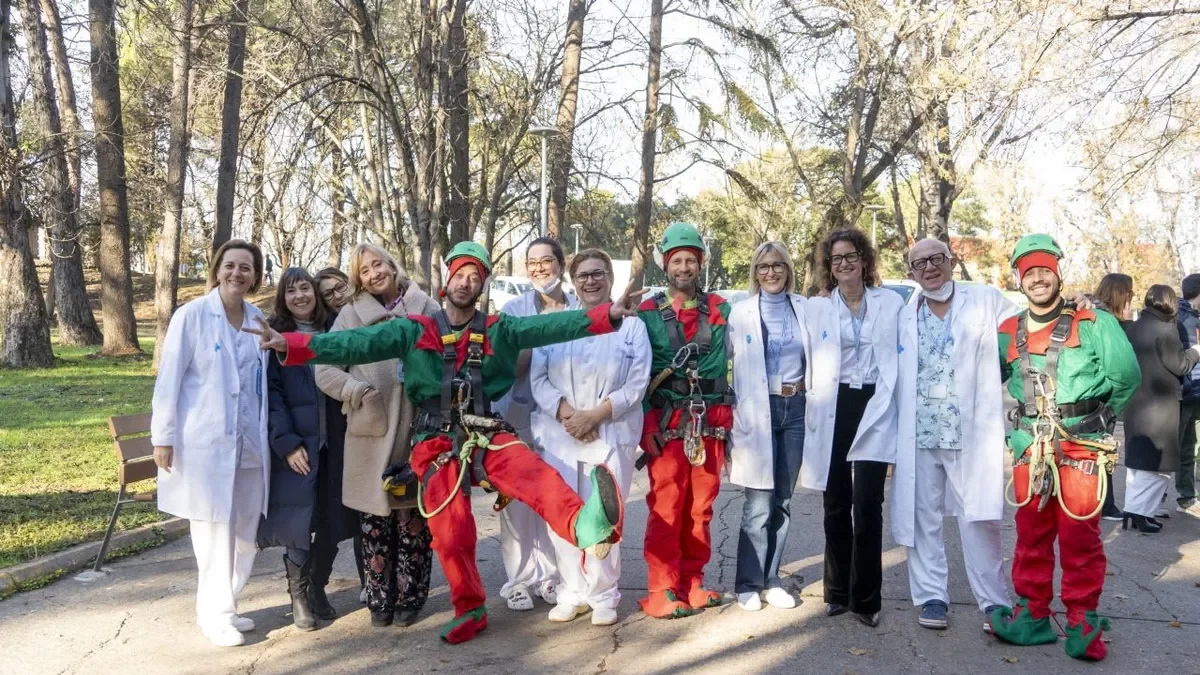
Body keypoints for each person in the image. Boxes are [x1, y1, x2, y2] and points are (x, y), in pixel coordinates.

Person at [246, 241, 638, 644]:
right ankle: (469, 608)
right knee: (452, 533)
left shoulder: (500, 329)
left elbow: (549, 327)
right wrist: (290, 344)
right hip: (434, 441)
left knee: (533, 473)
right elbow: (353, 344)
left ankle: (586, 524)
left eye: (475, 277)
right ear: (446, 280)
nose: (466, 282)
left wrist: (604, 315)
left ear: (483, 285)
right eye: (460, 274)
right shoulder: (415, 329)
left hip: (486, 430)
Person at [989, 234, 1141, 662]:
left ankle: (1081, 621)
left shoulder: (1094, 322)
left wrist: (1096, 419)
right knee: (1031, 535)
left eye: (1044, 269)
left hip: (1081, 447)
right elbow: (982, 378)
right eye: (1028, 271)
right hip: (1029, 449)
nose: (1037, 278)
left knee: (1080, 537)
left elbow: (1126, 378)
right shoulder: (1007, 332)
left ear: (1057, 273)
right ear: (1018, 278)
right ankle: (1033, 615)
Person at [891, 238, 1015, 632]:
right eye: (919, 263)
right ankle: (931, 596)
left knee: (978, 518)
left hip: (969, 432)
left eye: (936, 259)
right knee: (921, 516)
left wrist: (1078, 304)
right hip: (920, 431)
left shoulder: (985, 300)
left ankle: (994, 602)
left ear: (951, 261)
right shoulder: (903, 314)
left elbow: (1028, 330)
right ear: (911, 272)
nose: (929, 268)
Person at [151, 240, 271, 647]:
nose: (237, 274)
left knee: (245, 530)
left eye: (246, 268)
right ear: (218, 269)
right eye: (230, 266)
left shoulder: (259, 320)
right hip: (204, 443)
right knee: (213, 531)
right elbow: (169, 379)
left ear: (256, 276)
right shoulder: (192, 315)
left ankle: (227, 603)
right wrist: (162, 437)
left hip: (250, 443)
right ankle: (215, 614)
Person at [313, 244, 440, 628]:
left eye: (377, 264)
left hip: (419, 428)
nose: (373, 274)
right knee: (375, 522)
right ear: (358, 279)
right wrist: (356, 392)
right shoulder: (351, 315)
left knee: (413, 518)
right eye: (364, 271)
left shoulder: (427, 307)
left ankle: (410, 597)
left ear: (391, 265)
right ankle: (380, 600)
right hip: (371, 430)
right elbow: (324, 366)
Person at [529, 249, 651, 626]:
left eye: (598, 274)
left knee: (604, 515)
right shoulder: (556, 323)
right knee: (563, 516)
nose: (591, 281)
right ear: (573, 280)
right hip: (561, 434)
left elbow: (638, 381)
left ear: (610, 280)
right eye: (583, 275)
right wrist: (568, 415)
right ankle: (572, 590)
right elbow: (538, 379)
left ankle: (603, 594)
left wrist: (596, 414)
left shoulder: (631, 326)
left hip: (610, 431)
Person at [802, 228, 903, 628]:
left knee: (868, 503)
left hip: (876, 403)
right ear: (829, 267)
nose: (844, 264)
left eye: (850, 256)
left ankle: (867, 599)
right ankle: (838, 592)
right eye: (836, 259)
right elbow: (772, 301)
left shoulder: (891, 303)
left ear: (864, 259)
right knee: (836, 501)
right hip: (835, 402)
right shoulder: (817, 307)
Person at [636, 222, 735, 619]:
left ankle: (692, 581)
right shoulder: (647, 314)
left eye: (690, 260)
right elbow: (635, 372)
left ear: (700, 263)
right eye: (676, 260)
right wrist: (646, 426)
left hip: (708, 423)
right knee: (667, 505)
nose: (683, 267)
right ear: (665, 264)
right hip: (667, 423)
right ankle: (662, 588)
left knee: (701, 508)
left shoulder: (722, 309)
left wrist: (726, 420)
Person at [257, 267, 358, 630]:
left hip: (337, 442)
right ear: (282, 298)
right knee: (299, 521)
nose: (300, 296)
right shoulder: (275, 336)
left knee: (333, 520)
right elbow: (272, 397)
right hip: (299, 446)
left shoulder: (335, 329)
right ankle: (298, 597)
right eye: (291, 291)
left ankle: (317, 586)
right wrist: (287, 445)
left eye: (305, 289)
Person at [492, 237, 574, 611]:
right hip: (518, 415)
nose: (539, 268)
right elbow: (511, 366)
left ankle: (553, 577)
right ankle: (520, 579)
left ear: (561, 263)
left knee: (553, 496)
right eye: (532, 263)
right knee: (517, 501)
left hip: (562, 420)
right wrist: (535, 331)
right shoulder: (514, 309)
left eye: (546, 261)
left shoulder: (575, 308)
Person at [728, 241, 808, 612]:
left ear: (788, 269)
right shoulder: (740, 312)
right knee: (758, 500)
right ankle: (748, 581)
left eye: (777, 265)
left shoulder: (805, 309)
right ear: (755, 273)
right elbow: (717, 360)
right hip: (758, 408)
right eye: (763, 266)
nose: (771, 272)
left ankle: (772, 579)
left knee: (784, 500)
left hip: (796, 408)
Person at [1121, 285, 1200, 532]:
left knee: (1137, 462)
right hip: (1161, 404)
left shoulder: (1134, 327)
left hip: (1137, 401)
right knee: (1156, 464)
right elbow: (1180, 365)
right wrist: (1197, 350)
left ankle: (1135, 512)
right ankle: (1139, 513)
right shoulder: (1166, 330)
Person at [312, 265, 368, 604]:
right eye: (327, 294)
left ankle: (371, 580)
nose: (336, 296)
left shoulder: (368, 313)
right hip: (339, 429)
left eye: (339, 287)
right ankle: (315, 586)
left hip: (370, 423)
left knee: (371, 511)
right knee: (344, 513)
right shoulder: (332, 328)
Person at [1095, 273, 1135, 521]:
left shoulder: (1095, 314)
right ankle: (1104, 505)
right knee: (1102, 453)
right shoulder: (1106, 321)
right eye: (1129, 293)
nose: (1131, 298)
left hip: (1099, 400)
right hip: (1101, 400)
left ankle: (1104, 503)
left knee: (1100, 453)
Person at [1177, 274, 1200, 518]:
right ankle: (1157, 498)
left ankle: (1187, 497)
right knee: (1179, 446)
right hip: (1184, 393)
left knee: (1192, 448)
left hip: (1197, 392)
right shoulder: (1180, 319)